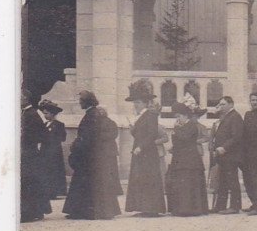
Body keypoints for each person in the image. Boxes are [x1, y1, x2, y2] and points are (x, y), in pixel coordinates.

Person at [63, 91, 122, 220]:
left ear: (86, 101)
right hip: (92, 156)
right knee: (92, 183)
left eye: (81, 100)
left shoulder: (91, 115)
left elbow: (87, 137)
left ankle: (84, 212)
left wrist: (76, 146)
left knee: (86, 183)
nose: (79, 103)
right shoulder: (93, 114)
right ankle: (88, 211)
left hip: (89, 157)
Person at [124, 80, 167, 217]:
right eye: (134, 103)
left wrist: (141, 147)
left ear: (144, 103)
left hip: (147, 152)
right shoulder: (141, 116)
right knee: (140, 178)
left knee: (149, 178)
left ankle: (152, 209)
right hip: (141, 151)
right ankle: (143, 207)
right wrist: (133, 130)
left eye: (137, 103)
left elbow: (151, 134)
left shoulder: (151, 115)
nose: (135, 105)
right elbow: (140, 134)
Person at [166, 101, 208, 216]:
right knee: (181, 184)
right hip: (180, 159)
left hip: (190, 160)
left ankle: (191, 209)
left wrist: (176, 130)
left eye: (179, 116)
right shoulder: (182, 126)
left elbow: (185, 138)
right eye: (176, 117)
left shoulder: (191, 126)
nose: (177, 119)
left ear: (185, 115)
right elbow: (179, 142)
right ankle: (180, 209)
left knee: (189, 184)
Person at [211, 95, 245, 214]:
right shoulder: (225, 117)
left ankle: (235, 207)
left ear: (231, 104)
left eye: (223, 104)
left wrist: (224, 148)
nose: (221, 106)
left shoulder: (235, 117)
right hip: (223, 155)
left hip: (231, 155)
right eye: (220, 104)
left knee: (232, 181)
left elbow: (236, 136)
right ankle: (220, 206)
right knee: (223, 181)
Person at [20, 91, 48, 222]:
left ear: (26, 98)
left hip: (29, 153)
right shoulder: (25, 113)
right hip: (26, 152)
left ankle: (31, 212)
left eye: (20, 96)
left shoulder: (32, 114)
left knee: (30, 183)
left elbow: (41, 133)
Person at [38, 99, 67, 202]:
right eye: (44, 113)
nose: (45, 115)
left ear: (52, 114)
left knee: (54, 170)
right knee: (45, 170)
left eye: (46, 113)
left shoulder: (59, 125)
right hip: (45, 150)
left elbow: (63, 138)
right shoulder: (43, 125)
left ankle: (54, 191)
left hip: (54, 151)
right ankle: (46, 191)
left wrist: (53, 137)